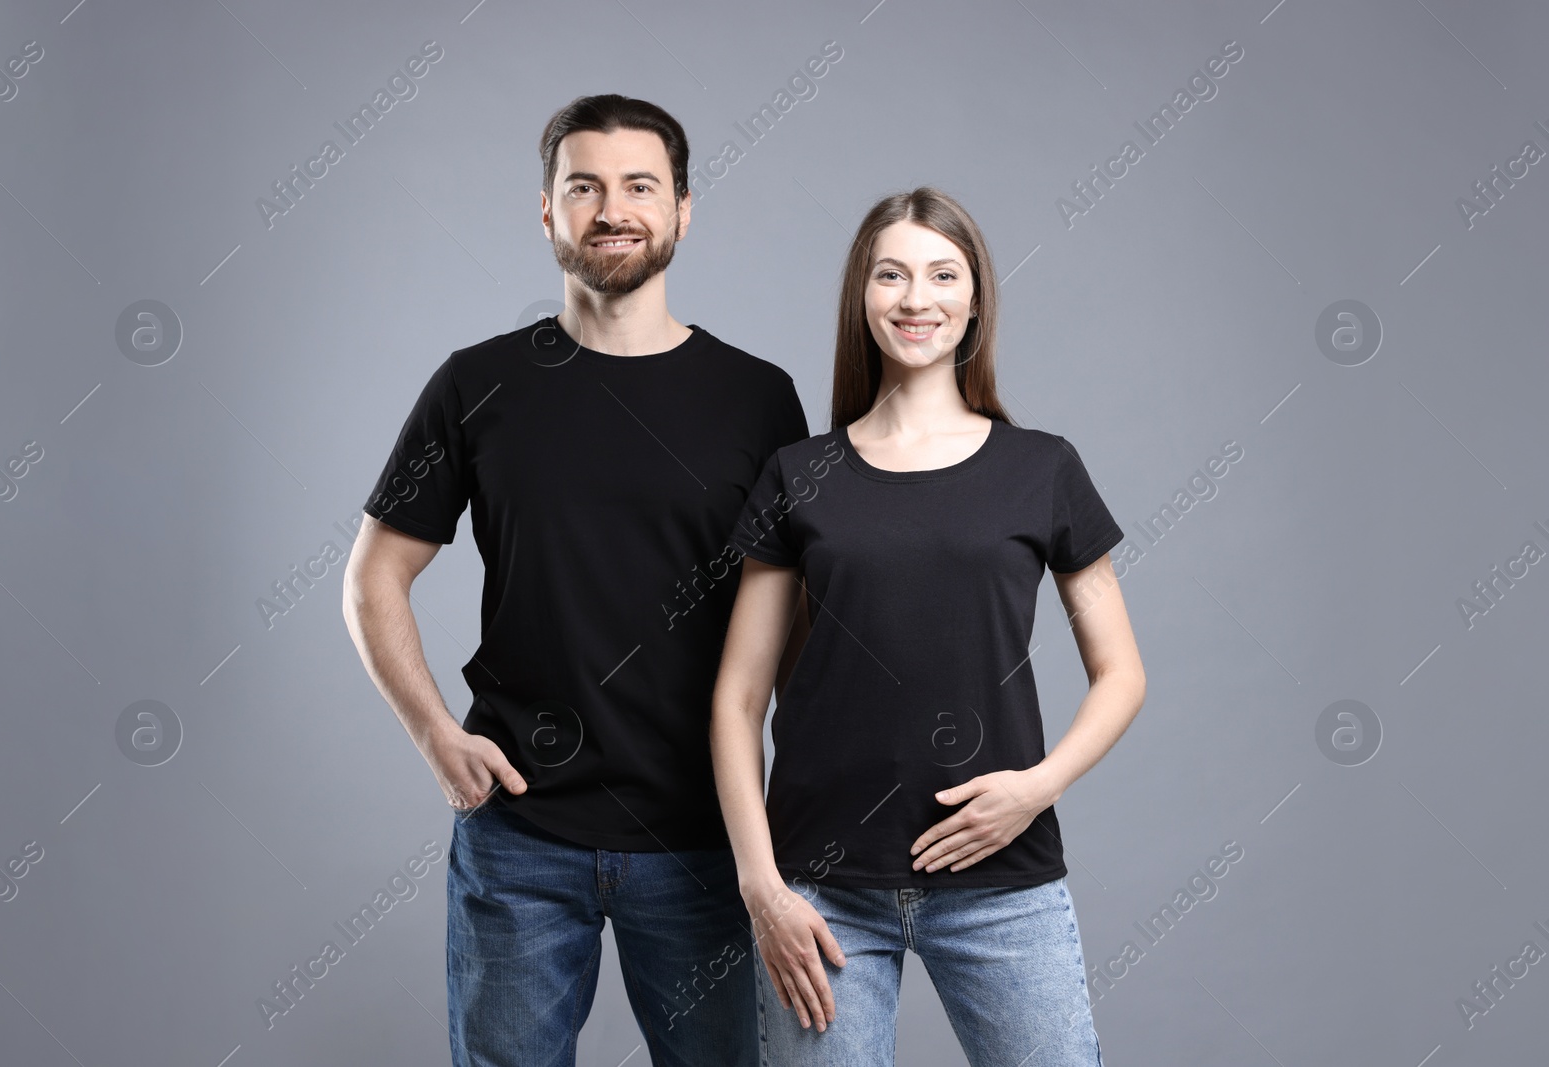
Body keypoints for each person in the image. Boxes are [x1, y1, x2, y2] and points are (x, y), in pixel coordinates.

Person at [342, 94, 810, 1067]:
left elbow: (797, 626)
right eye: (583, 185)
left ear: (683, 210)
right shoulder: (476, 386)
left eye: (640, 185)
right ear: (546, 211)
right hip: (519, 843)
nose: (612, 208)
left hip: (703, 841)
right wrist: (435, 733)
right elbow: (373, 576)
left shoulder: (759, 398)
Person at [709, 186, 1146, 1066]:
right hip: (821, 890)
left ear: (976, 297)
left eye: (943, 274)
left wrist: (1035, 787)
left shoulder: (1042, 467)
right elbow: (736, 696)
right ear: (861, 297)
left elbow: (1122, 673)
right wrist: (761, 886)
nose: (917, 299)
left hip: (1000, 878)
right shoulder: (802, 474)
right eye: (892, 275)